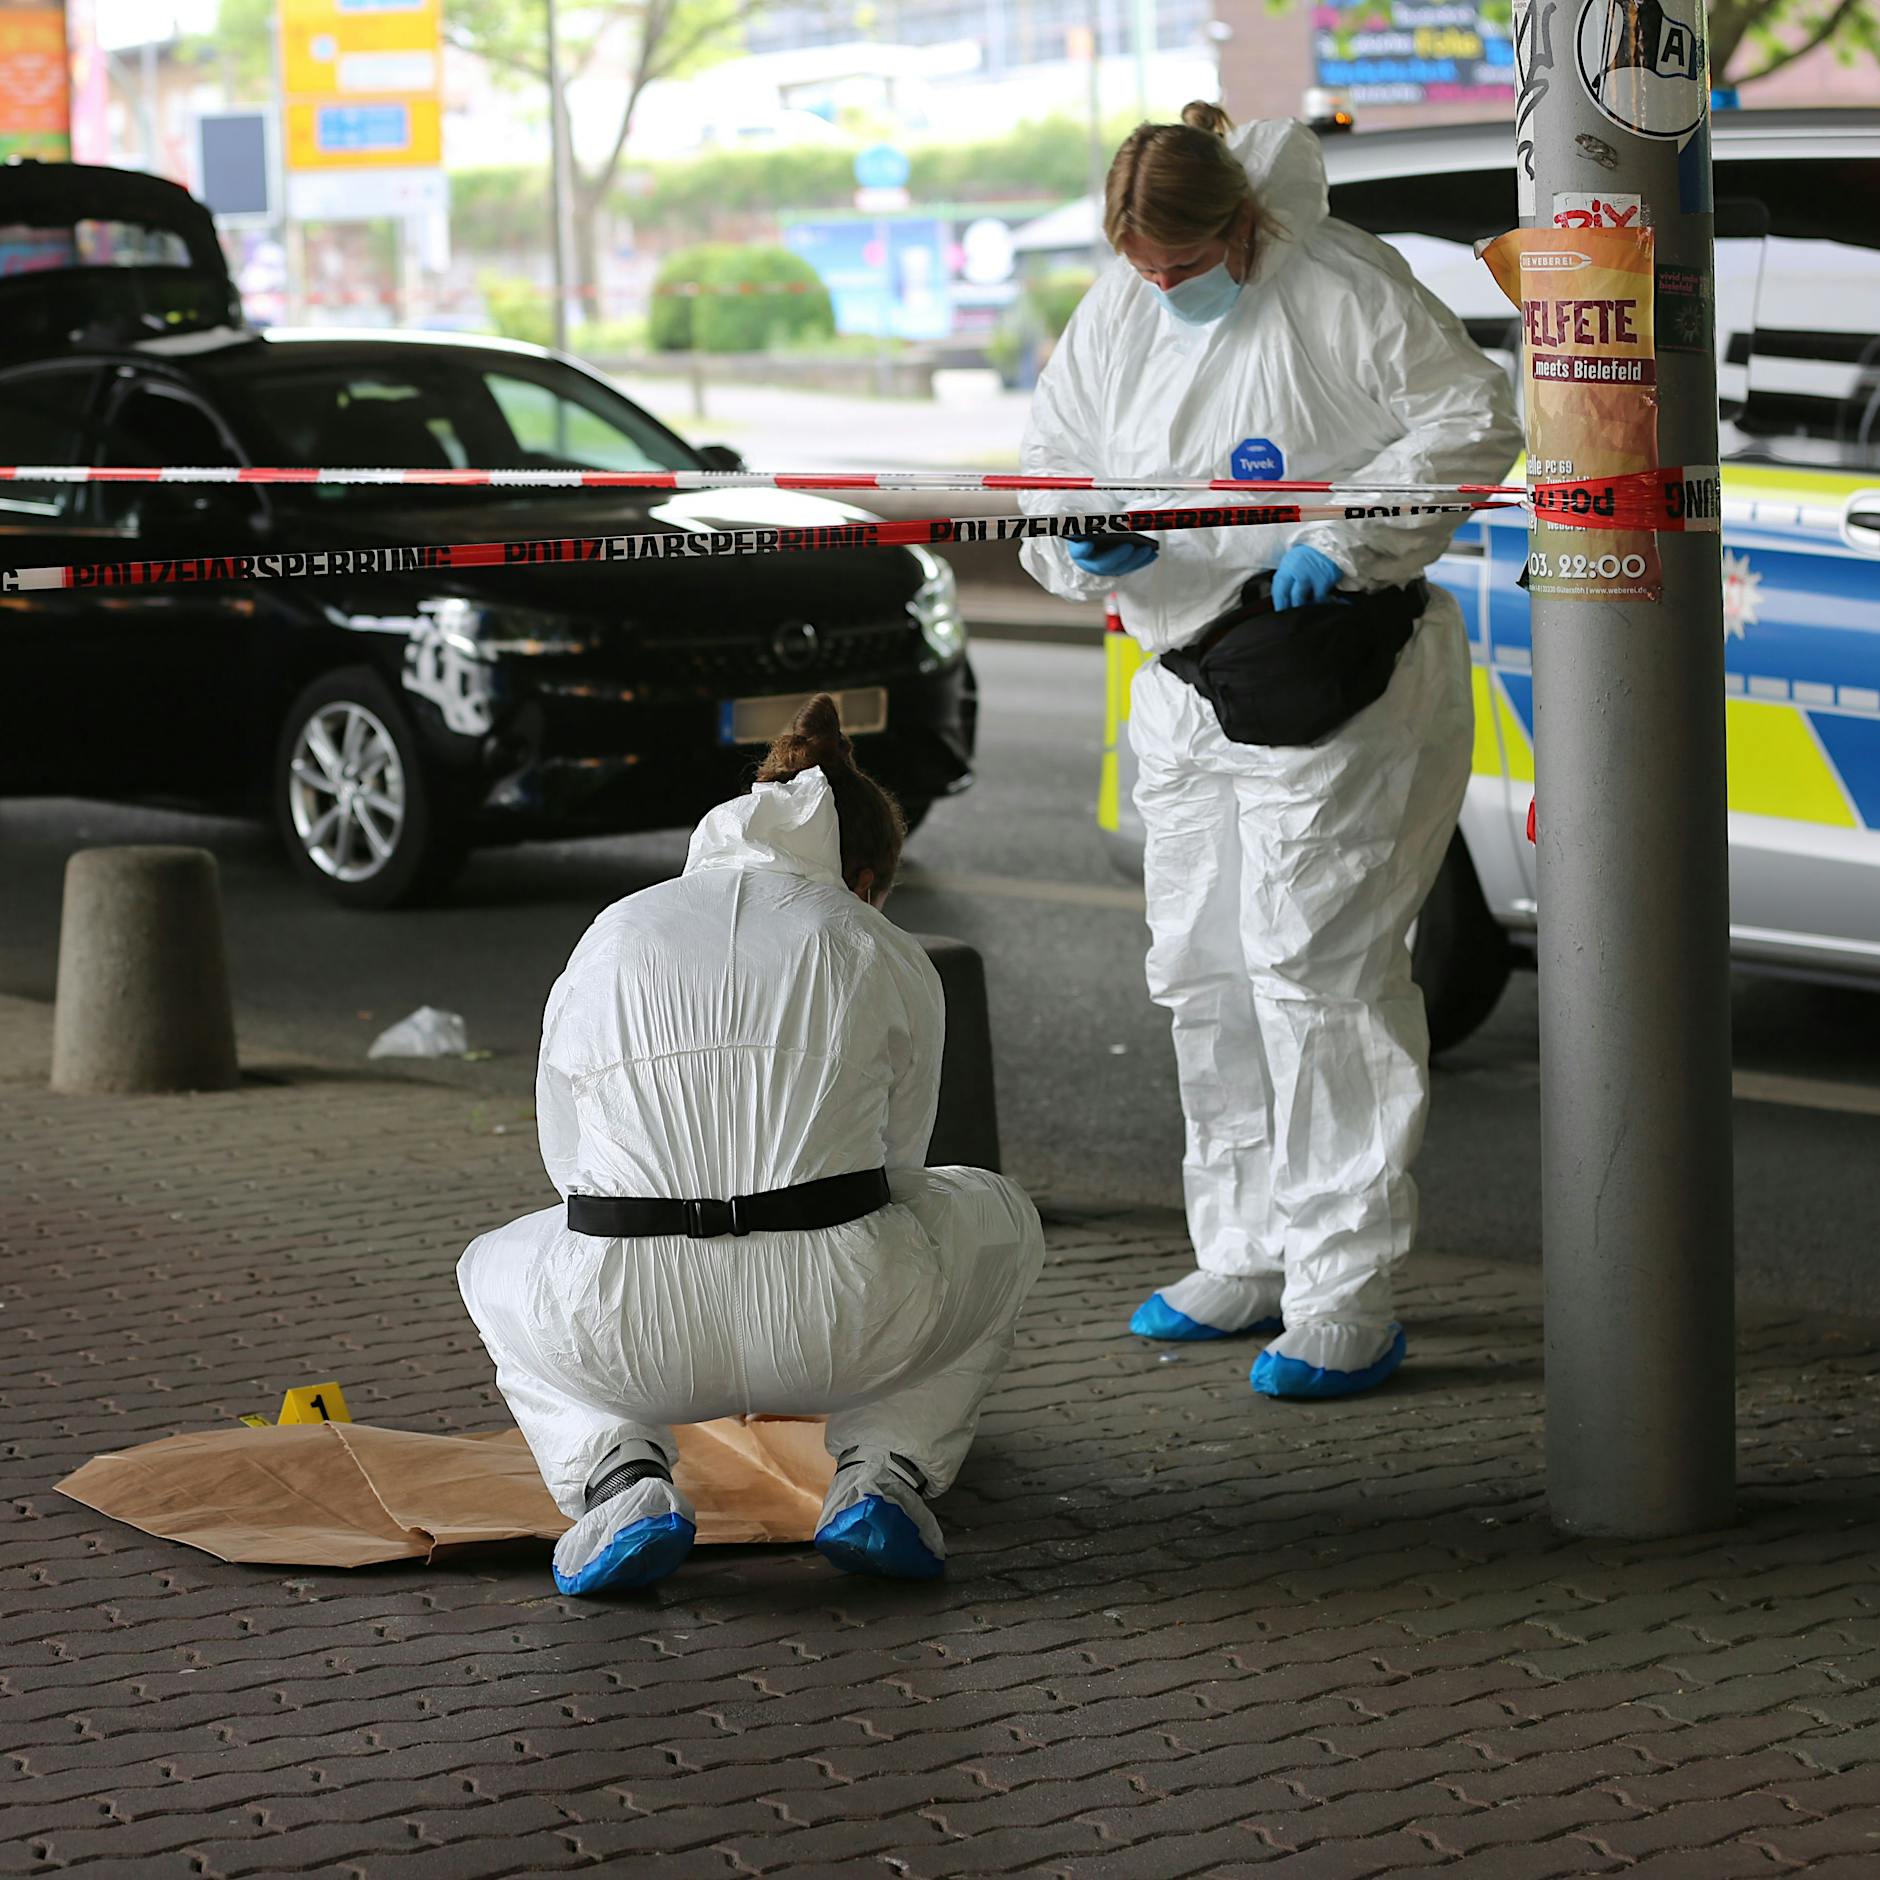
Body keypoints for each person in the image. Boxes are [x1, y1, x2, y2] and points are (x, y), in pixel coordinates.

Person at [1019, 104, 1521, 1399]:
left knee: (1322, 980)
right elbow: (1050, 471)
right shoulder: (1120, 311)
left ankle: (1344, 1289)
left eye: (1181, 265)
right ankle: (1238, 1251)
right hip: (1182, 675)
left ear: (1239, 223)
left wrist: (1345, 538)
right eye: (1142, 265)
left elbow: (1472, 418)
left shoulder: (1341, 286)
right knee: (1203, 968)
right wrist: (1082, 546)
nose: (1161, 286)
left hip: (1333, 671)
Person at [458, 696, 1044, 1595]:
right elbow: (901, 1168)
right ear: (863, 877)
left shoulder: (613, 931)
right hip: (846, 1322)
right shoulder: (873, 942)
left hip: (627, 1332)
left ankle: (619, 1481)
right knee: (997, 1217)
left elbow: (567, 1162)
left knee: (491, 1265)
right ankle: (883, 1474)